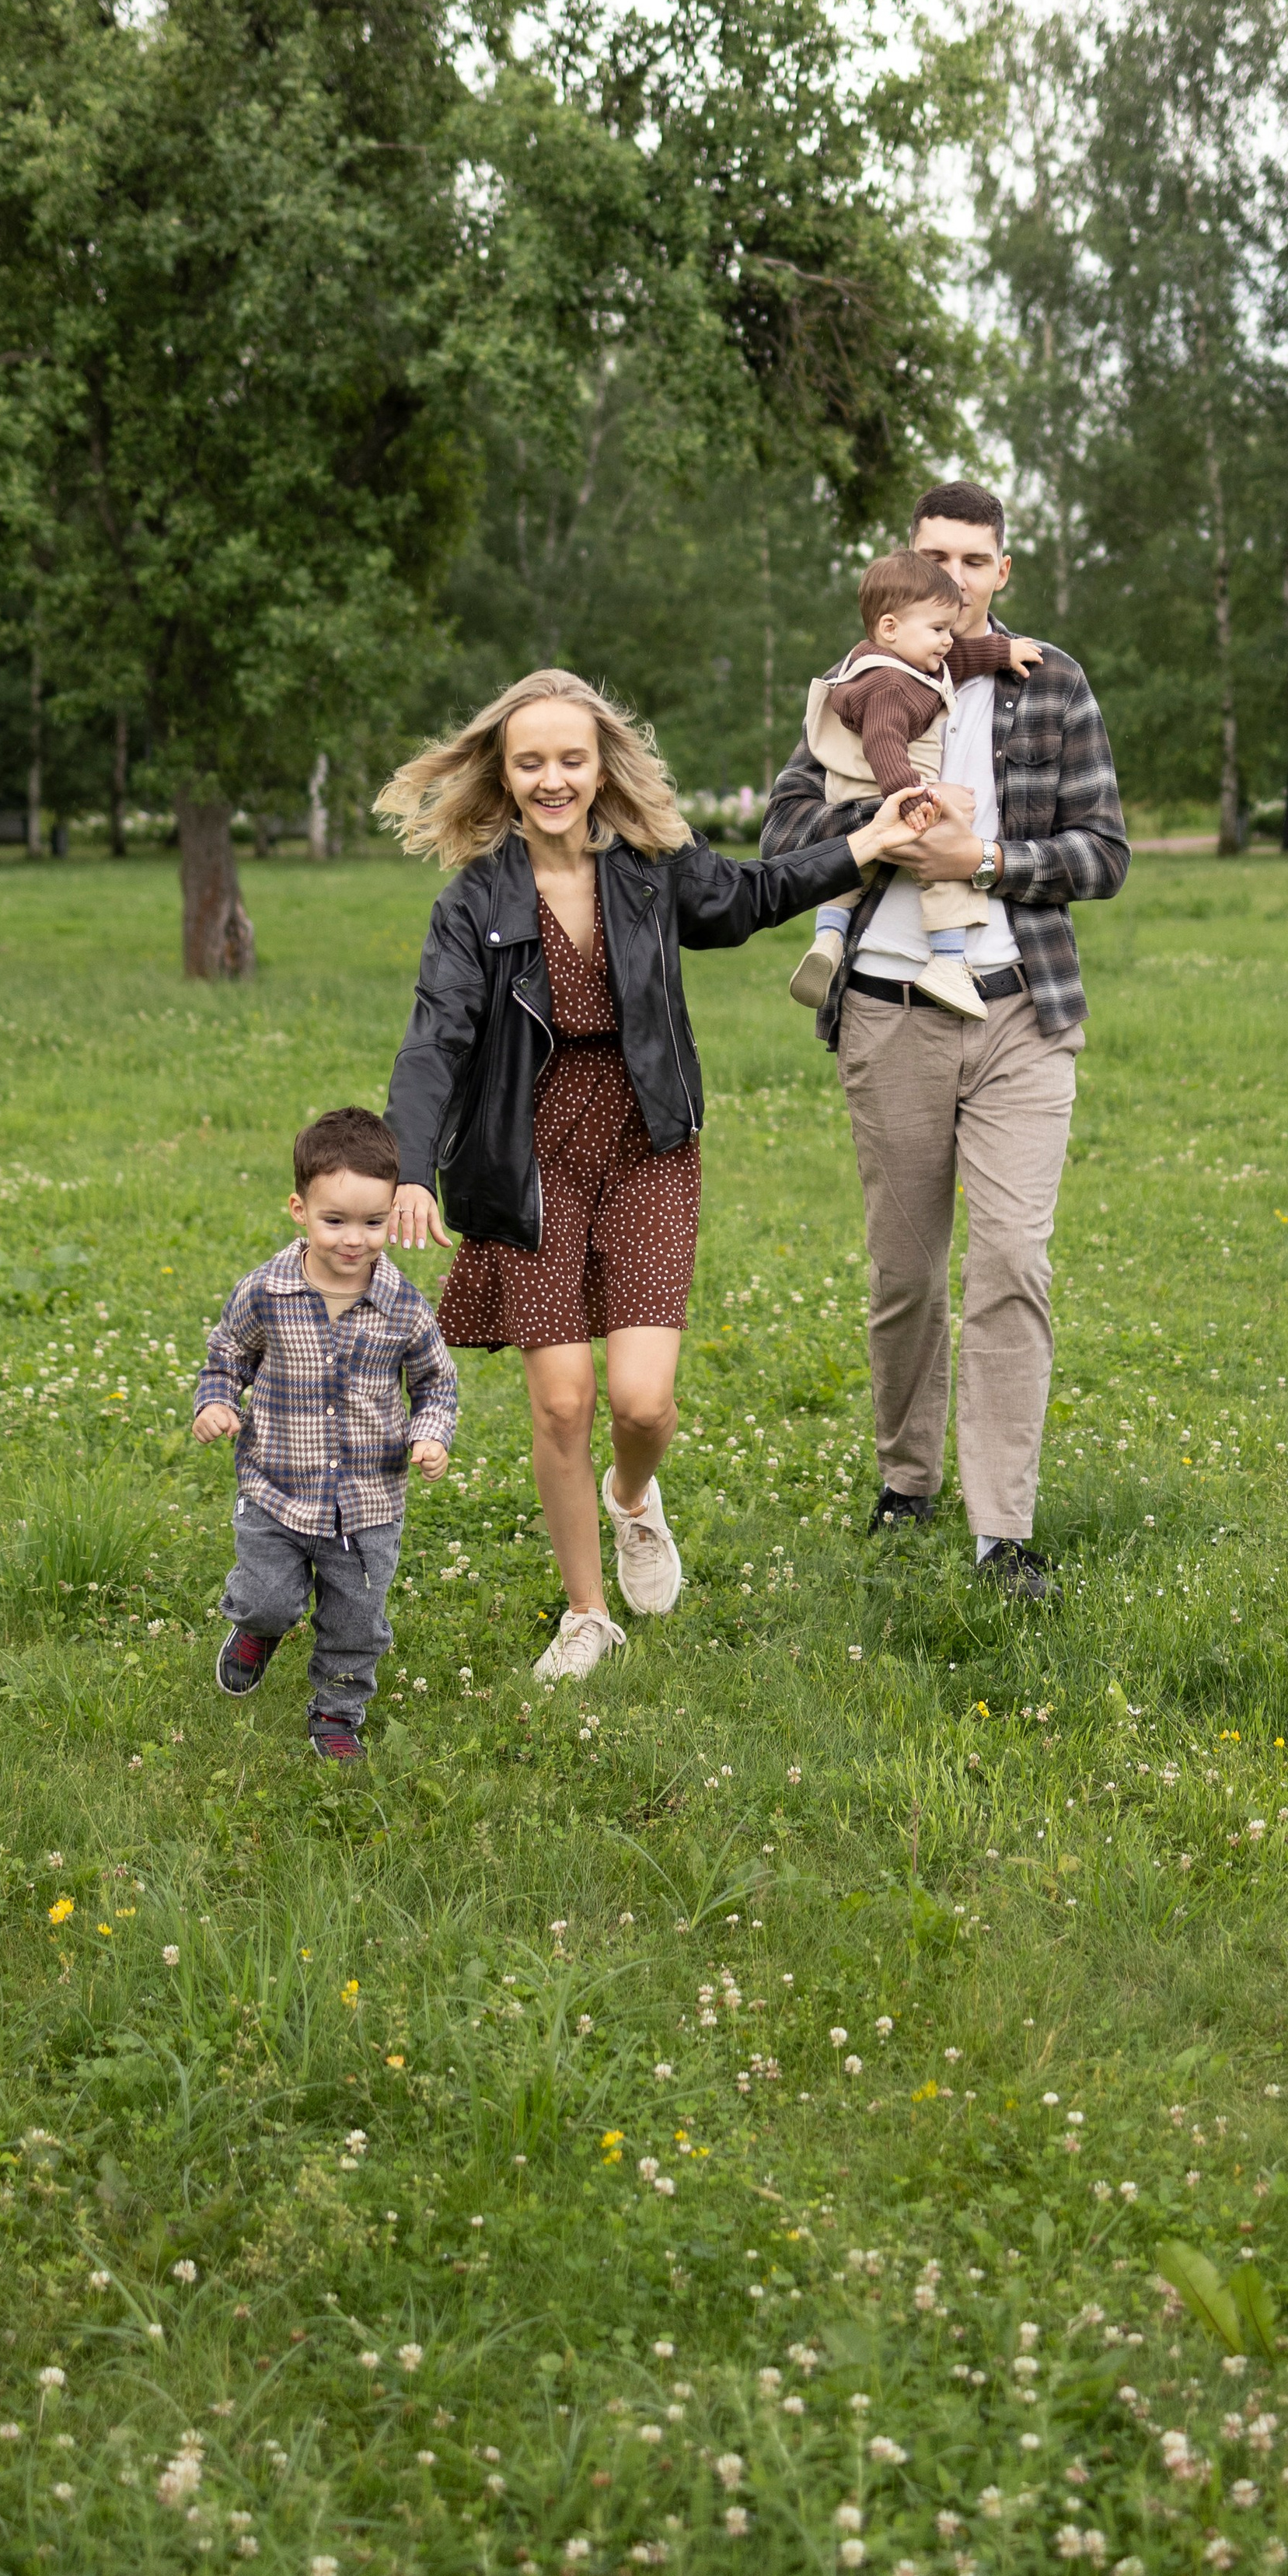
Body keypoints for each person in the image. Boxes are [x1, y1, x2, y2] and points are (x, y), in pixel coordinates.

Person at [379, 666, 923, 1684]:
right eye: (530, 761)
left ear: (599, 767)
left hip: (647, 1149)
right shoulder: (475, 903)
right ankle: (587, 1614)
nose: (551, 779)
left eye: (570, 760)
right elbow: (433, 1041)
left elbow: (746, 898)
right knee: (561, 1403)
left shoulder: (649, 865)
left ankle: (635, 1498)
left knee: (637, 1403)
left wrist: (864, 846)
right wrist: (408, 1166)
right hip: (527, 1161)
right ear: (503, 773)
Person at [761, 480, 1129, 1601]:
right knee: (907, 1272)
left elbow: (1103, 853)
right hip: (891, 1012)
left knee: (1013, 1259)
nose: (955, 578)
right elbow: (782, 832)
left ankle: (1001, 1531)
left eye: (975, 560)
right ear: (903, 568)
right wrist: (883, 833)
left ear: (1002, 571)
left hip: (1023, 1011)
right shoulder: (858, 682)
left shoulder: (1049, 680)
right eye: (935, 557)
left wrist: (986, 863)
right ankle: (906, 1483)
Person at [193, 1105, 457, 1761]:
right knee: (267, 1597)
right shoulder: (265, 1292)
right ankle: (258, 1628)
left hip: (368, 1504)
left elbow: (436, 1383)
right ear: (299, 1209)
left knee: (356, 1621)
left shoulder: (403, 1306)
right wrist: (216, 1402)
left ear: (394, 1213)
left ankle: (337, 1712)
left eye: (372, 1223)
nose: (352, 1239)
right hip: (276, 1489)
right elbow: (227, 1357)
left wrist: (431, 1434)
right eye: (333, 1220)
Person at [787, 551, 1045, 1021]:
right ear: (890, 628)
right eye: (938, 631)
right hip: (893, 790)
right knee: (947, 865)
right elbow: (885, 745)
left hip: (851, 799)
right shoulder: (888, 685)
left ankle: (828, 936)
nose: (948, 641)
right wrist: (918, 799)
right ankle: (948, 963)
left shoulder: (893, 658)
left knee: (852, 869)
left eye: (949, 630)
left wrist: (1003, 652)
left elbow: (960, 659)